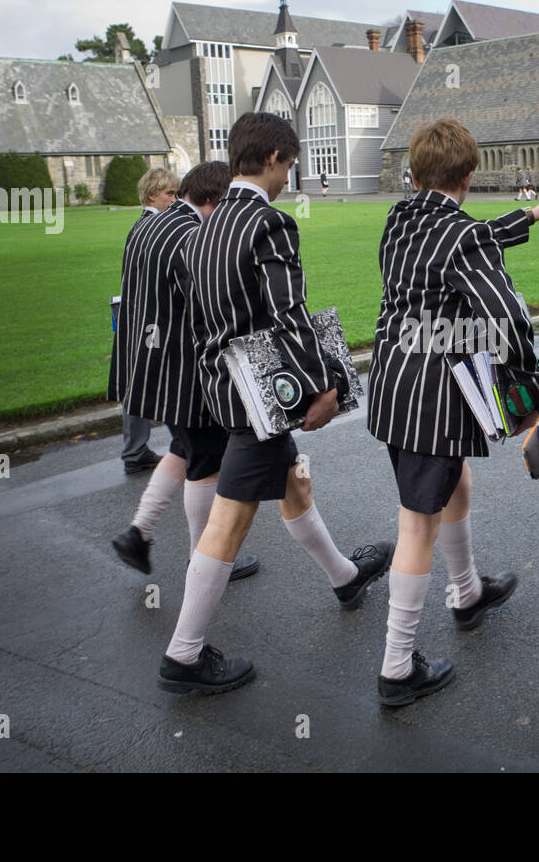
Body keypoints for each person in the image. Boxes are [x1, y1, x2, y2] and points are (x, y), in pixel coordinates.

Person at [157, 113, 393, 695]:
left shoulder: (199, 228)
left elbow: (204, 322)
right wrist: (324, 386)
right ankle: (183, 655)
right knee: (230, 520)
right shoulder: (269, 224)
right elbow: (288, 315)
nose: (289, 176)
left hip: (225, 388)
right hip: (261, 396)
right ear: (272, 159)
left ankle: (344, 577)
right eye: (288, 164)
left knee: (293, 486)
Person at [367, 118, 539, 706]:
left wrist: (532, 216)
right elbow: (507, 317)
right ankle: (397, 668)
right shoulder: (462, 237)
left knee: (456, 482)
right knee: (416, 524)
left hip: (394, 381)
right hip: (433, 393)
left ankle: (466, 593)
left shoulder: (401, 218)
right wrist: (533, 402)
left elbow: (469, 236)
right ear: (468, 175)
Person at [108, 161, 258, 582]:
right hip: (182, 370)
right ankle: (205, 561)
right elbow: (209, 305)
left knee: (183, 449)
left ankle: (138, 532)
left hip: (148, 361)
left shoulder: (148, 224)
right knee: (205, 463)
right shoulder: (191, 234)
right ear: (211, 201)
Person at [118, 168, 179, 474]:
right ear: (152, 194)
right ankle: (183, 445)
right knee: (163, 380)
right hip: (151, 318)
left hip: (137, 314)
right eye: (170, 193)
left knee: (140, 381)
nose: (175, 199)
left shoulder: (139, 226)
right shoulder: (157, 227)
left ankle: (136, 450)